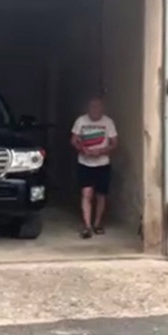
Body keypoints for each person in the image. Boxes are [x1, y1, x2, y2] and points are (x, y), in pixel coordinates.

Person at [70, 96, 118, 239]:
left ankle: (97, 224)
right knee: (86, 193)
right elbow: (73, 140)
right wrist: (82, 149)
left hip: (103, 164)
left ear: (102, 108)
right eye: (92, 106)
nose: (95, 109)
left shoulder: (108, 122)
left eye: (97, 107)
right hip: (84, 163)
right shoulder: (81, 121)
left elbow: (114, 143)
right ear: (88, 108)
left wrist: (101, 151)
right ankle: (87, 226)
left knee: (101, 194)